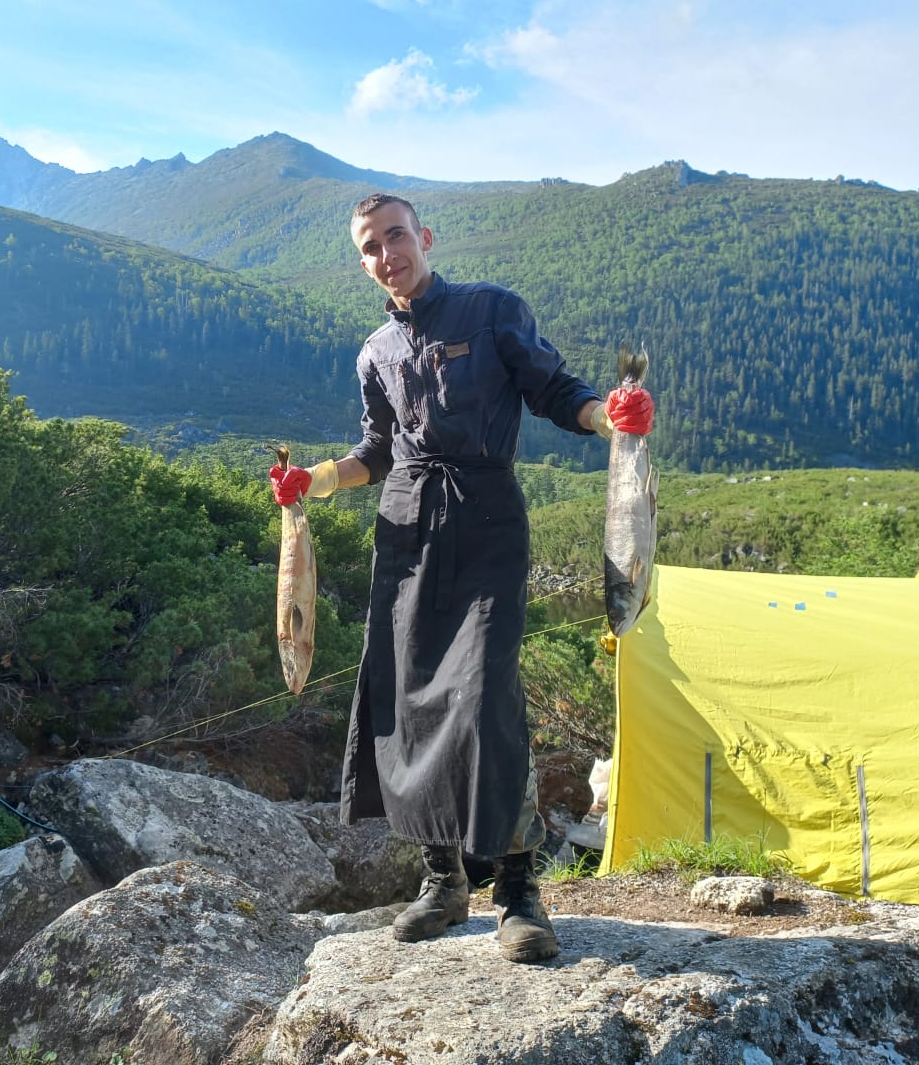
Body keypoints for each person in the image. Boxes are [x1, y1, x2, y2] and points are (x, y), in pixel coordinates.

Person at [270, 194, 653, 963]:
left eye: (396, 237)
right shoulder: (375, 350)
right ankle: (443, 881)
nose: (387, 254)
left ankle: (517, 889)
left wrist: (607, 417)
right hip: (405, 528)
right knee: (409, 699)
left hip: (485, 517)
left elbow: (554, 390)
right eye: (371, 246)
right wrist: (315, 478)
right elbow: (377, 449)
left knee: (483, 695)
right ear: (362, 261)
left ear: (425, 237)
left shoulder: (491, 310)